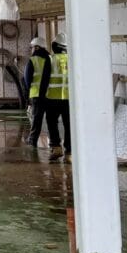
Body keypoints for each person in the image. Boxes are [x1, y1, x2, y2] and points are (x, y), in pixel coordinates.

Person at [23, 37, 52, 148]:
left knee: (37, 119)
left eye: (32, 47)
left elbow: (27, 79)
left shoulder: (33, 60)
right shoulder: (50, 58)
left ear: (37, 47)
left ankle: (32, 140)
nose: (31, 50)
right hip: (50, 94)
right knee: (51, 121)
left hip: (37, 94)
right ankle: (53, 142)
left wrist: (27, 96)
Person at [46, 32, 71, 161]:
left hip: (52, 97)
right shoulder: (73, 60)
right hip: (69, 99)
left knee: (52, 122)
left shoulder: (50, 59)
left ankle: (56, 148)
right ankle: (69, 153)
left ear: (55, 46)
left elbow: (45, 80)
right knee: (69, 125)